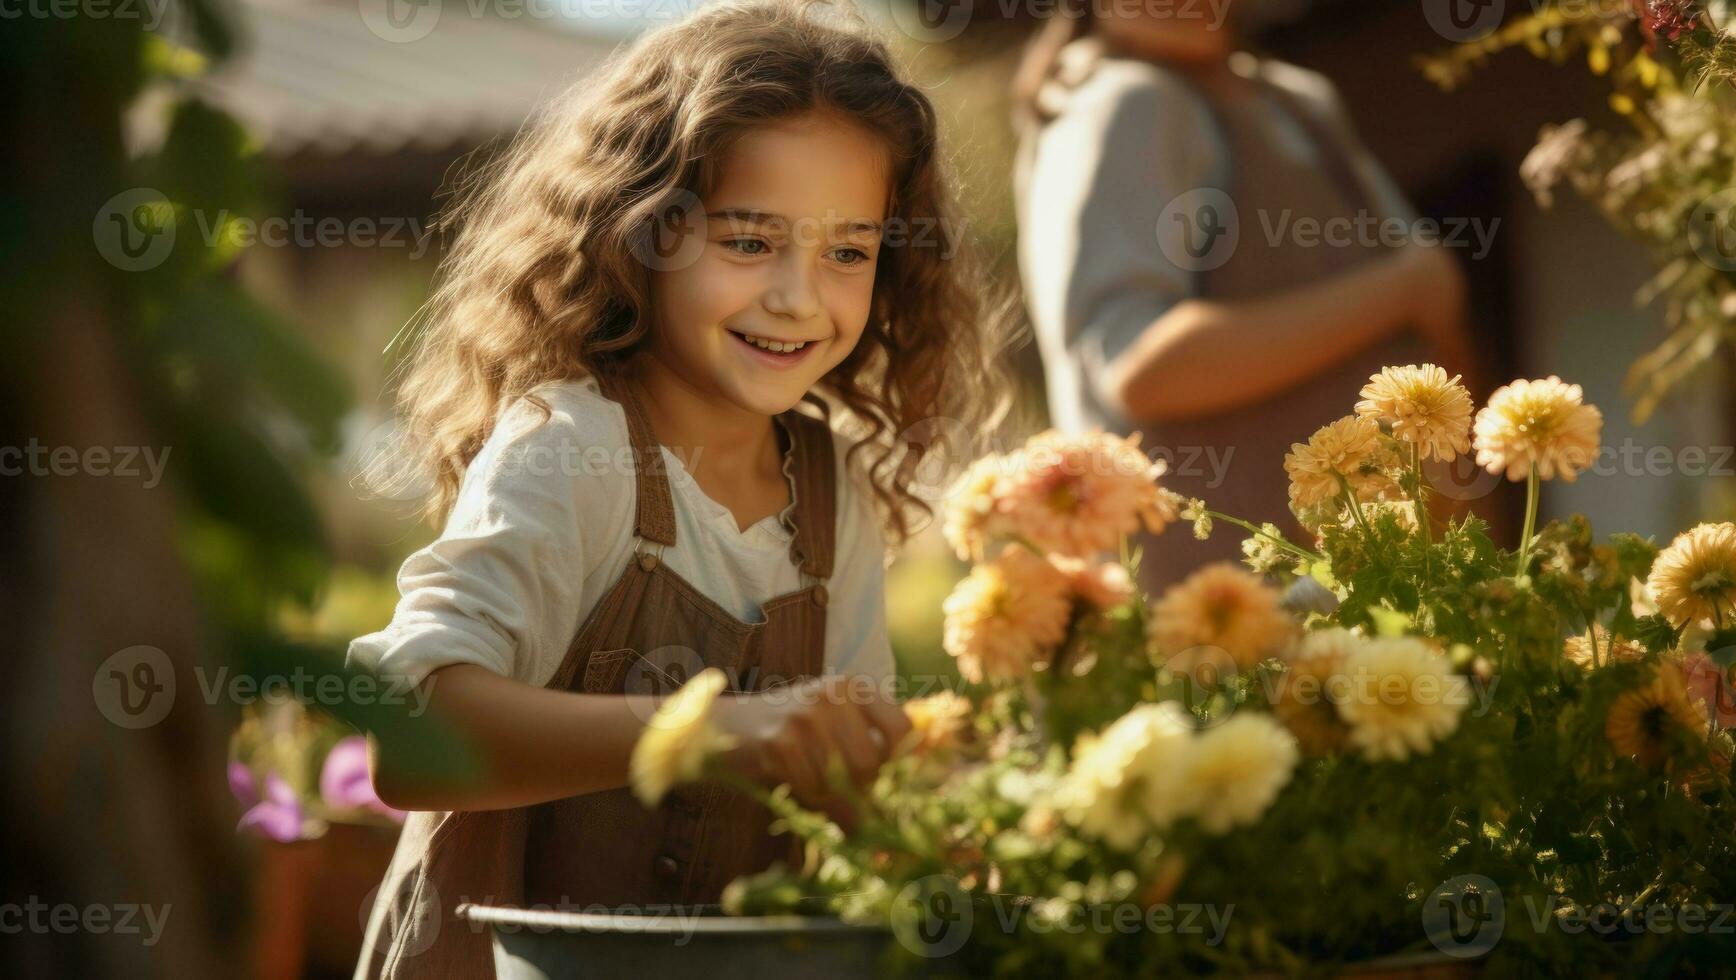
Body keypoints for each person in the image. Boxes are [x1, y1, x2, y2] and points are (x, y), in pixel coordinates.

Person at [346, 2, 1007, 974]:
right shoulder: (572, 445)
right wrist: (711, 730)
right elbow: (411, 740)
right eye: (749, 241)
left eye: (848, 252)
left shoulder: (834, 497)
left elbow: (844, 796)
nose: (797, 295)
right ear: (640, 232)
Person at [1013, 0, 1480, 589]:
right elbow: (1140, 367)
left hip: (1390, 603)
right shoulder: (1127, 104)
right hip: (1236, 623)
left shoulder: (1298, 101)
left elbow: (1438, 315)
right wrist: (1401, 289)